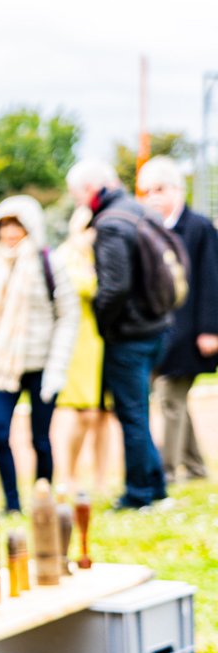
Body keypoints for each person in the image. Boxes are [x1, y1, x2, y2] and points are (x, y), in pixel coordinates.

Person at [66, 159, 169, 509]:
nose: (79, 203)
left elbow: (114, 287)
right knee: (139, 410)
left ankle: (139, 493)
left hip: (129, 334)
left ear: (89, 190)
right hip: (156, 327)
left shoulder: (111, 224)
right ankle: (155, 487)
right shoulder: (141, 213)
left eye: (77, 195)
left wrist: (103, 324)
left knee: (132, 415)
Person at [0, 195, 79, 514]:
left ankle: (42, 498)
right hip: (3, 367)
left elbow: (67, 316)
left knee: (40, 439)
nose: (10, 232)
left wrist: (57, 368)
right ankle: (12, 503)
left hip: (41, 363)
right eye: (3, 225)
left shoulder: (49, 262)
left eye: (16, 224)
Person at [140, 156, 218, 484]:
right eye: (147, 191)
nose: (153, 196)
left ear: (175, 189)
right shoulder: (151, 228)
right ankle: (197, 468)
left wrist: (210, 329)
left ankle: (167, 472)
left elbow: (211, 279)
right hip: (159, 330)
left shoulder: (199, 227)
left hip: (191, 332)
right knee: (174, 401)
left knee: (171, 398)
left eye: (159, 189)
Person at [55, 205, 113, 494]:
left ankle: (101, 478)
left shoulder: (99, 255)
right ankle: (69, 473)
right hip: (78, 343)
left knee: (103, 414)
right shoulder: (65, 256)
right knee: (84, 412)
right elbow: (87, 286)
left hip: (104, 340)